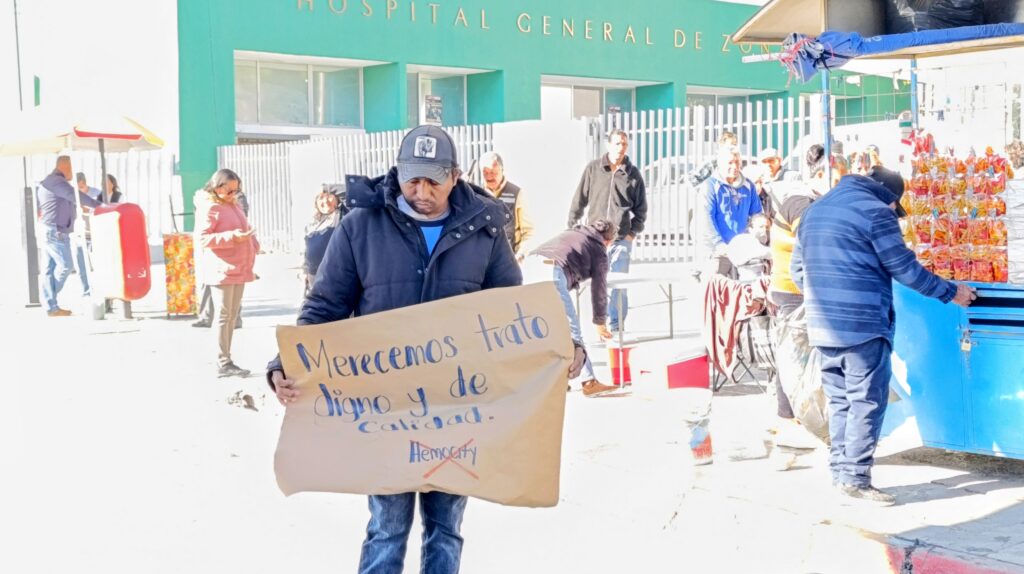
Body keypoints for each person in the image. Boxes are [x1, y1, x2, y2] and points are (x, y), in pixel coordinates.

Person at [266, 125, 585, 574]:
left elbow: (510, 315)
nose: (420, 192)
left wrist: (559, 346)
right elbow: (325, 306)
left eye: (433, 181)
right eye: (411, 179)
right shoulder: (360, 226)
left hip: (459, 411)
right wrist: (287, 362)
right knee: (387, 527)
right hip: (387, 411)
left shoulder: (485, 229)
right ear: (397, 173)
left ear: (455, 176)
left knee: (445, 528)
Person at [792, 166, 976, 505]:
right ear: (889, 196)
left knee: (840, 400)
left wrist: (826, 300)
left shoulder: (815, 211)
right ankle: (855, 478)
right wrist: (951, 292)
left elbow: (798, 272)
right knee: (866, 400)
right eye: (897, 207)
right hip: (863, 325)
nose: (896, 213)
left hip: (822, 326)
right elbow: (905, 269)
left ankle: (841, 472)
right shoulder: (876, 212)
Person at [525, 220, 618, 397]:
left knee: (544, 329)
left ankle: (554, 380)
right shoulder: (599, 249)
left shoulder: (575, 232)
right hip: (551, 271)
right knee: (571, 329)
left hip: (528, 267)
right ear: (608, 241)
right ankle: (589, 381)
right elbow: (599, 289)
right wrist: (600, 323)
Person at [567, 129, 647, 333]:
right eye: (617, 143)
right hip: (595, 239)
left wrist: (632, 234)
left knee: (618, 284)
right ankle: (599, 325)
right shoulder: (593, 169)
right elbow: (579, 200)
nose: (621, 147)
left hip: (620, 239)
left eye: (624, 144)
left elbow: (641, 209)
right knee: (597, 282)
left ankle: (617, 326)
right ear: (608, 145)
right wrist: (573, 225)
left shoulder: (633, 174)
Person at [195, 168, 258, 378]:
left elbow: (244, 228)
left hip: (239, 267)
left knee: (232, 316)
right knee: (224, 316)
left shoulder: (234, 204)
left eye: (236, 190)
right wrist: (232, 237)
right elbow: (203, 238)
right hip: (221, 268)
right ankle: (223, 361)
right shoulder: (210, 207)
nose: (233, 194)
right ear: (217, 187)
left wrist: (252, 242)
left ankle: (226, 359)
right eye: (229, 190)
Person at [36, 156, 101, 316]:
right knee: (66, 265)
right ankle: (48, 299)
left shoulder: (52, 181)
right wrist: (99, 205)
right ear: (65, 166)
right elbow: (75, 195)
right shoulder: (57, 182)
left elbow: (67, 201)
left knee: (49, 269)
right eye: (72, 168)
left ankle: (51, 307)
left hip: (51, 229)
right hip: (55, 231)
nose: (73, 172)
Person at [699, 145, 763, 278]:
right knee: (716, 288)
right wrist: (719, 244)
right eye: (730, 162)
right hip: (718, 252)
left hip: (741, 249)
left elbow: (756, 215)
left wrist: (756, 235)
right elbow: (706, 217)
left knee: (743, 287)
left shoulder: (748, 186)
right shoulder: (710, 185)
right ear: (720, 163)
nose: (734, 166)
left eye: (737, 162)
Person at [193, 184, 247, 330]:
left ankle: (230, 319)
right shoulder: (207, 201)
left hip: (229, 252)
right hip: (214, 251)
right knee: (211, 284)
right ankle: (209, 317)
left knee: (230, 288)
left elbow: (243, 224)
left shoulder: (236, 200)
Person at [480, 151, 535, 262]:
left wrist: (520, 255)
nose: (489, 177)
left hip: (510, 260)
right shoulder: (477, 194)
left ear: (502, 170)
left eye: (493, 172)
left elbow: (529, 232)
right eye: (485, 172)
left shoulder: (516, 193)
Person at [302, 188, 342, 295]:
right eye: (321, 198)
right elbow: (306, 251)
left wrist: (328, 188)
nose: (325, 201)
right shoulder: (311, 224)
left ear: (337, 200)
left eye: (329, 196)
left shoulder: (341, 216)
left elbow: (346, 192)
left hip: (334, 272)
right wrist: (305, 272)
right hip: (313, 274)